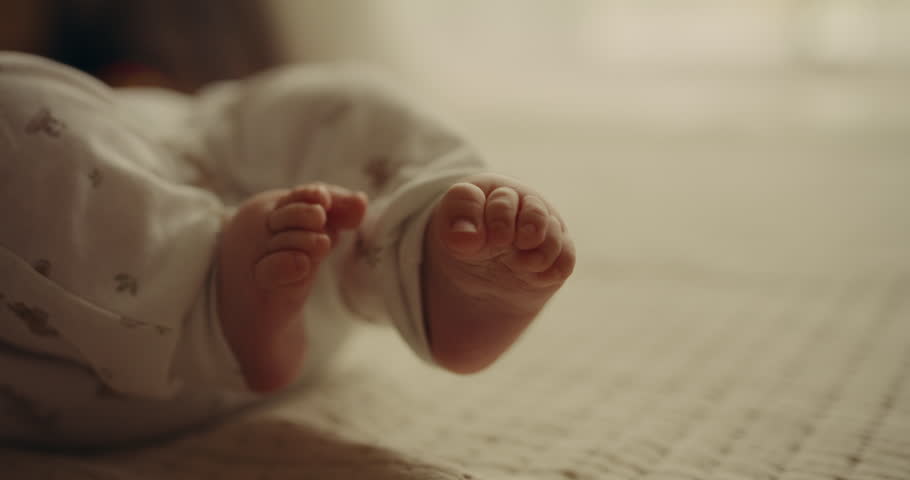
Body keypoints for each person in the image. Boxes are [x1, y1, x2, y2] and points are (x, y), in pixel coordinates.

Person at [0, 52, 575, 447]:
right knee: (17, 123)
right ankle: (218, 295)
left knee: (341, 104)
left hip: (214, 310)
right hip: (140, 339)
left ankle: (426, 245)